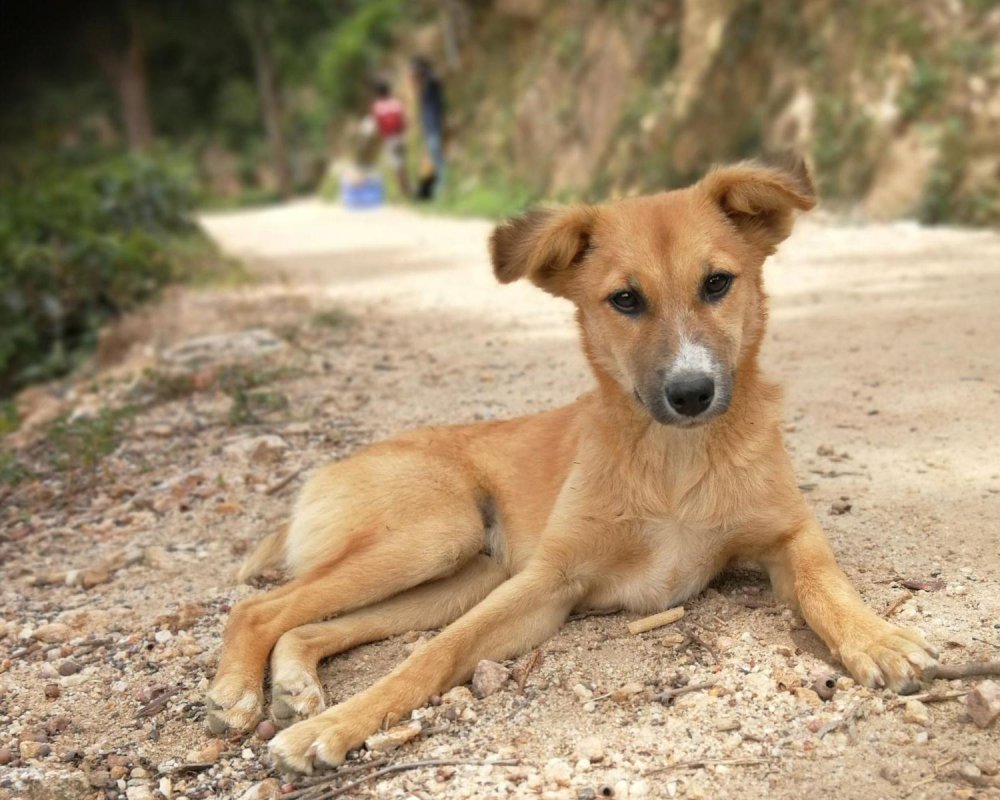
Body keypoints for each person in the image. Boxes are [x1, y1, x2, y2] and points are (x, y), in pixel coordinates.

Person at [410, 57, 445, 198]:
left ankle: (441, 186)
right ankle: (435, 187)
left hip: (433, 124)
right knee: (432, 156)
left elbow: (436, 80)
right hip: (429, 125)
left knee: (436, 156)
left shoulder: (430, 80)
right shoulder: (426, 83)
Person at [371, 79, 410, 198]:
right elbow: (403, 119)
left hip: (389, 138)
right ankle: (406, 188)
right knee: (402, 162)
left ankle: (404, 191)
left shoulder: (377, 106)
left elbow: (378, 124)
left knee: (396, 164)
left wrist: (381, 137)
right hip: (400, 135)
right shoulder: (395, 102)